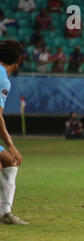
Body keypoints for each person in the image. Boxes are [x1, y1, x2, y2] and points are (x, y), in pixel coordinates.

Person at [0, 40, 27, 224]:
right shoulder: (2, 79)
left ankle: (5, 213)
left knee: (9, 162)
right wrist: (11, 145)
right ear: (18, 59)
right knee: (10, 159)